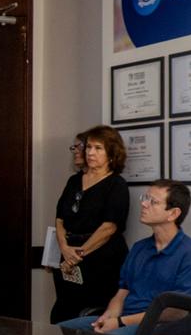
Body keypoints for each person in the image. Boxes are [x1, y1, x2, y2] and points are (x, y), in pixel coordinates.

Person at [58, 179, 191, 335]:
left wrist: (120, 322)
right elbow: (122, 292)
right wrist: (108, 316)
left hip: (157, 327)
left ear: (173, 213)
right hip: (123, 319)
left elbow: (177, 312)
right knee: (59, 332)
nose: (144, 204)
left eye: (153, 202)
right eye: (145, 198)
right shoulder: (139, 248)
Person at [49, 125, 130, 324]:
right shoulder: (74, 181)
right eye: (89, 147)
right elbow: (60, 219)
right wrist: (65, 248)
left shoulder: (116, 185)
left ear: (111, 154)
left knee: (91, 314)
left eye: (98, 148)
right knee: (63, 311)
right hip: (68, 254)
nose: (90, 152)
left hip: (100, 259)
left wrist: (78, 254)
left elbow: (109, 227)